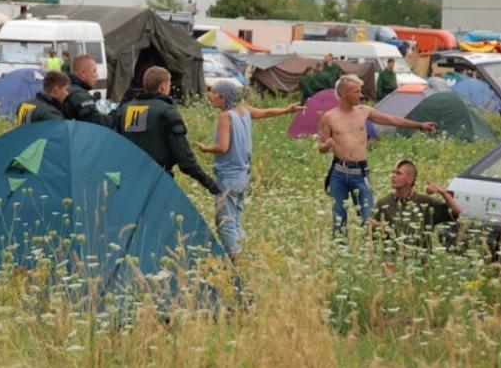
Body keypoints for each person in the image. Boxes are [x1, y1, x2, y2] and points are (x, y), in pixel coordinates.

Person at [196, 81, 304, 260]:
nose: (210, 95)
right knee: (235, 218)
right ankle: (243, 253)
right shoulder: (245, 111)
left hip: (228, 176)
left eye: (214, 93)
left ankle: (236, 257)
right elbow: (267, 112)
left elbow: (222, 147)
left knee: (225, 221)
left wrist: (205, 149)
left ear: (224, 97)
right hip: (243, 175)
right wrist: (287, 110)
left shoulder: (225, 117)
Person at [318, 74, 436, 235]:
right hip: (339, 172)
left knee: (369, 215)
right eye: (356, 92)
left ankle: (371, 247)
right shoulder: (329, 117)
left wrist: (419, 125)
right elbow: (322, 146)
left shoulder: (364, 111)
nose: (361, 95)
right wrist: (326, 145)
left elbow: (391, 120)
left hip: (360, 173)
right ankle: (340, 247)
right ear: (344, 94)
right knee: (339, 214)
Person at [118, 66, 220, 196]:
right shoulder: (167, 111)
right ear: (163, 87)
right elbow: (185, 159)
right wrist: (208, 182)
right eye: (169, 84)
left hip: (129, 180)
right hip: (158, 180)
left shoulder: (126, 110)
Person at [374, 159, 461, 226]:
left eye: (398, 173)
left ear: (410, 179)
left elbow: (455, 212)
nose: (393, 176)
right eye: (393, 173)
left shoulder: (425, 203)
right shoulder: (383, 203)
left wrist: (443, 193)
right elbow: (370, 228)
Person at [62, 55, 116, 128]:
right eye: (94, 71)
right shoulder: (80, 95)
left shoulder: (67, 88)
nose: (97, 76)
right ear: (83, 73)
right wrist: (119, 115)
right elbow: (99, 123)